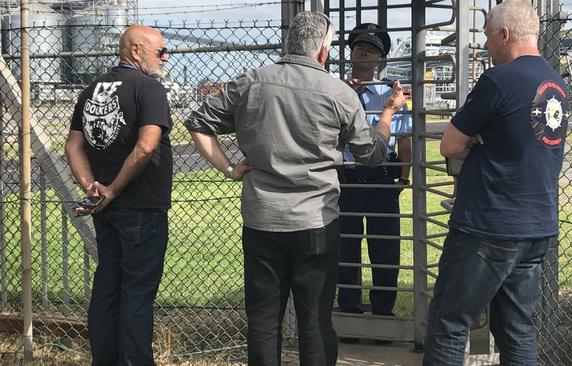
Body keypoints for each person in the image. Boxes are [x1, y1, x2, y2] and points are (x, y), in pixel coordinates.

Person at [184, 11, 405, 366]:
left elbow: (197, 121)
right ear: (322, 52)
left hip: (261, 220)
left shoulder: (250, 81)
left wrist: (229, 167)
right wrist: (387, 115)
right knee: (315, 321)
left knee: (263, 320)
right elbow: (372, 155)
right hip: (316, 221)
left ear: (289, 44)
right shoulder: (338, 93)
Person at [422, 0, 569, 365]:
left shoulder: (498, 79)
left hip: (488, 224)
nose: (486, 47)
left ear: (505, 34)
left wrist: (474, 138)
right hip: (536, 226)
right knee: (517, 329)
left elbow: (450, 144)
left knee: (449, 324)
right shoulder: (557, 83)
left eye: (488, 36)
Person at [65, 25, 172, 366]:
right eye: (160, 51)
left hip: (106, 208)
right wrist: (113, 188)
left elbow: (74, 145)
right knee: (138, 292)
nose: (165, 57)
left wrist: (90, 185)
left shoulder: (91, 89)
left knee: (109, 285)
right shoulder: (148, 89)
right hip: (141, 207)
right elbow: (146, 145)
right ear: (137, 51)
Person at [336, 23, 412, 326]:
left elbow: (404, 139)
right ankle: (350, 311)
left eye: (370, 48)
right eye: (358, 46)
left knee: (385, 248)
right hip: (347, 179)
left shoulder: (392, 95)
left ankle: (383, 311)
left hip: (382, 180)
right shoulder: (337, 91)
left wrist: (403, 178)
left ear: (380, 59)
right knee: (346, 248)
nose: (362, 51)